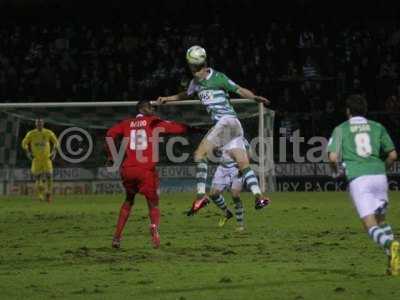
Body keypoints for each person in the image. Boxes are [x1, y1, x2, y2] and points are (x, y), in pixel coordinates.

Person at [158, 45, 271, 214]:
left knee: (199, 154)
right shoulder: (195, 83)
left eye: (192, 65)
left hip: (225, 121)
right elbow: (185, 94)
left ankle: (200, 195)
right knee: (242, 162)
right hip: (232, 126)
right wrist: (167, 98)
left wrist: (254, 98)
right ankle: (259, 197)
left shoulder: (219, 77)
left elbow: (239, 89)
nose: (192, 68)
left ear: (197, 64)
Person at [327, 94, 399, 275]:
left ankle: (391, 245)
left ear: (348, 111)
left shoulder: (341, 129)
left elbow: (333, 157)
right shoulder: (377, 127)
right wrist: (381, 169)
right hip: (379, 176)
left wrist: (336, 171)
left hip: (360, 179)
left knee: (370, 224)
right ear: (365, 111)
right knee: (381, 220)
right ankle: (393, 261)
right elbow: (392, 156)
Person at [106, 100, 192, 249]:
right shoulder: (153, 122)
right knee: (153, 204)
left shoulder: (127, 123)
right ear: (141, 108)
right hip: (146, 170)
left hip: (128, 169)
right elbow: (176, 129)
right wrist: (192, 128)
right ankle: (154, 229)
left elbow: (109, 134)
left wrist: (111, 156)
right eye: (149, 106)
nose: (152, 108)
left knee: (128, 200)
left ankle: (117, 237)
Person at [207, 137, 249, 231]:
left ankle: (240, 224)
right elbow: (215, 151)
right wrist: (216, 149)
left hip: (236, 168)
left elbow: (248, 151)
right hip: (222, 169)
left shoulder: (240, 138)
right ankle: (227, 212)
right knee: (213, 194)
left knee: (235, 195)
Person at [21, 118, 58, 203]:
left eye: (40, 123)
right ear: (35, 124)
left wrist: (54, 151)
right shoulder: (31, 134)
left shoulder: (48, 132)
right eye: (37, 123)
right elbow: (24, 143)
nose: (39, 124)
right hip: (36, 159)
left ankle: (48, 194)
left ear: (43, 123)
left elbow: (56, 142)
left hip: (46, 158)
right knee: (38, 177)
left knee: (49, 175)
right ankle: (40, 196)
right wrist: (27, 151)